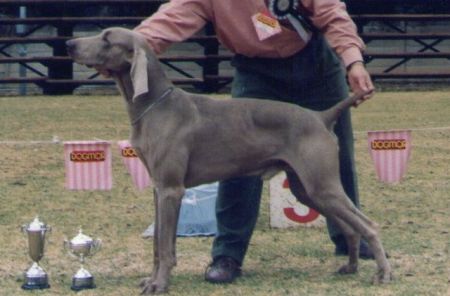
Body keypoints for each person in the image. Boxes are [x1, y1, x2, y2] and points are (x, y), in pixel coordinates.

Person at [133, 0, 375, 284]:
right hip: (256, 71)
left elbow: (330, 11)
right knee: (234, 163)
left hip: (316, 66)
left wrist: (353, 60)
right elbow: (168, 22)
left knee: (336, 156)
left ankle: (350, 238)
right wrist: (127, 48)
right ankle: (228, 254)